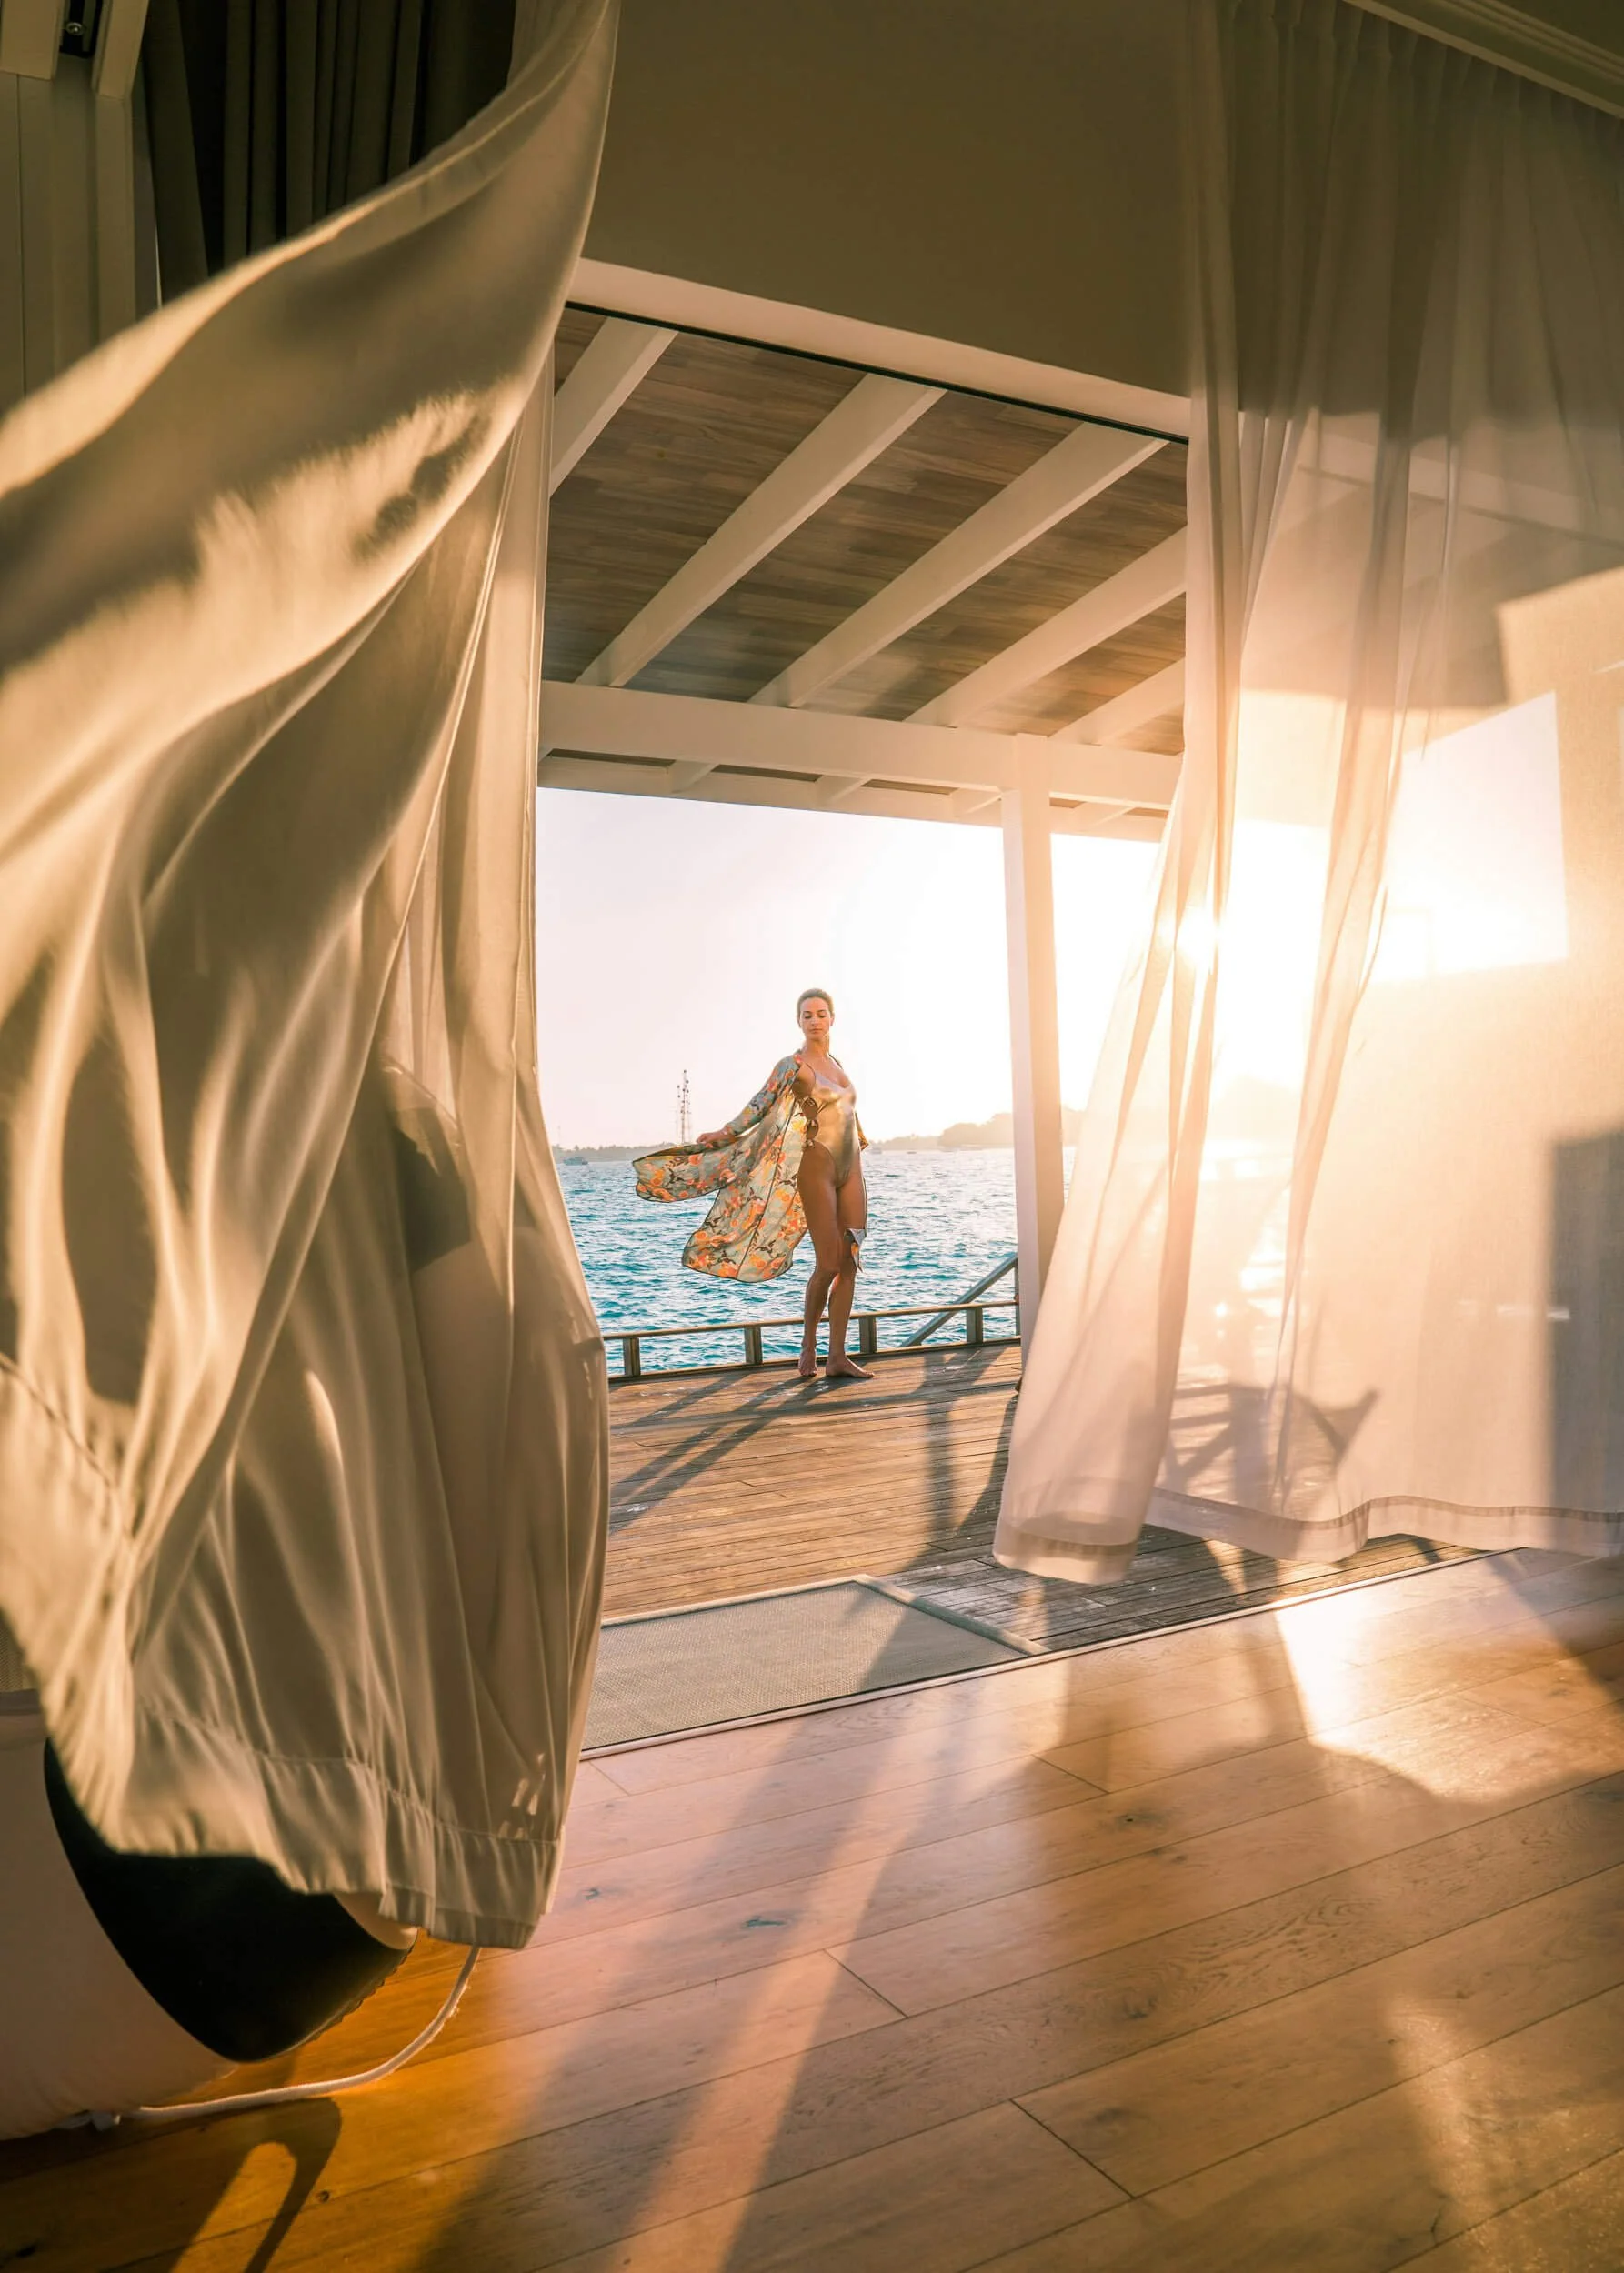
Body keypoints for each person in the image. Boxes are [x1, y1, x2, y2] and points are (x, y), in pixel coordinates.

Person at [635, 988, 871, 1380]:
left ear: (832, 1019)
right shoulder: (792, 1065)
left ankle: (838, 1357)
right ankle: (809, 1347)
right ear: (799, 1022)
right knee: (828, 1263)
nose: (815, 1020)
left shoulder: (836, 1063)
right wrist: (725, 1133)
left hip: (853, 1167)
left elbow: (848, 1115)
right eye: (807, 1015)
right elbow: (758, 1106)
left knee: (850, 1262)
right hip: (817, 1167)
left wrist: (859, 1146)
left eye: (821, 1014)